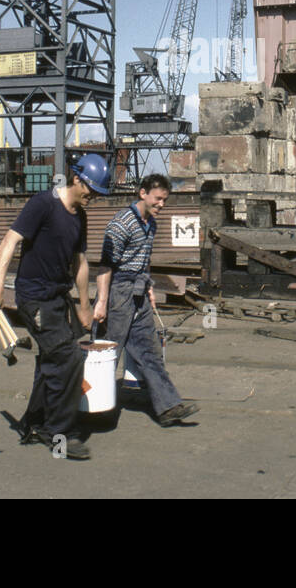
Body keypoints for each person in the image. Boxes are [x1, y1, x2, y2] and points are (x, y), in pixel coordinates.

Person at [0, 154, 111, 461]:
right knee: (68, 358)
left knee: (52, 361)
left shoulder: (79, 215)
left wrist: (84, 304)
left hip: (57, 297)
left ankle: (33, 422)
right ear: (76, 179)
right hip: (34, 297)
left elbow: (79, 262)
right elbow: (9, 242)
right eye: (91, 190)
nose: (93, 197)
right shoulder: (43, 204)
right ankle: (58, 433)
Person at [93, 173, 198, 427]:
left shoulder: (151, 223)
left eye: (164, 200)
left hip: (138, 289)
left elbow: (144, 260)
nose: (161, 204)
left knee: (149, 349)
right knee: (108, 351)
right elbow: (106, 266)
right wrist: (101, 302)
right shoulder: (121, 224)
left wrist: (148, 286)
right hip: (118, 290)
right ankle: (89, 408)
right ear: (143, 193)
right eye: (158, 199)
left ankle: (168, 407)